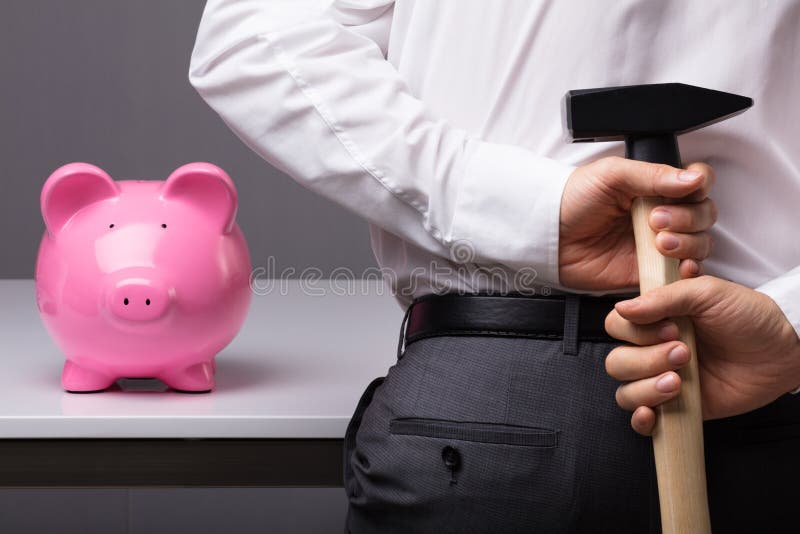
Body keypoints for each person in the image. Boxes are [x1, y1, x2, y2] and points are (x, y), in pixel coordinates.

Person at [188, 1, 800, 532]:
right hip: (765, 384)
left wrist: (518, 208)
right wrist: (792, 324)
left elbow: (256, 37)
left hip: (500, 401)